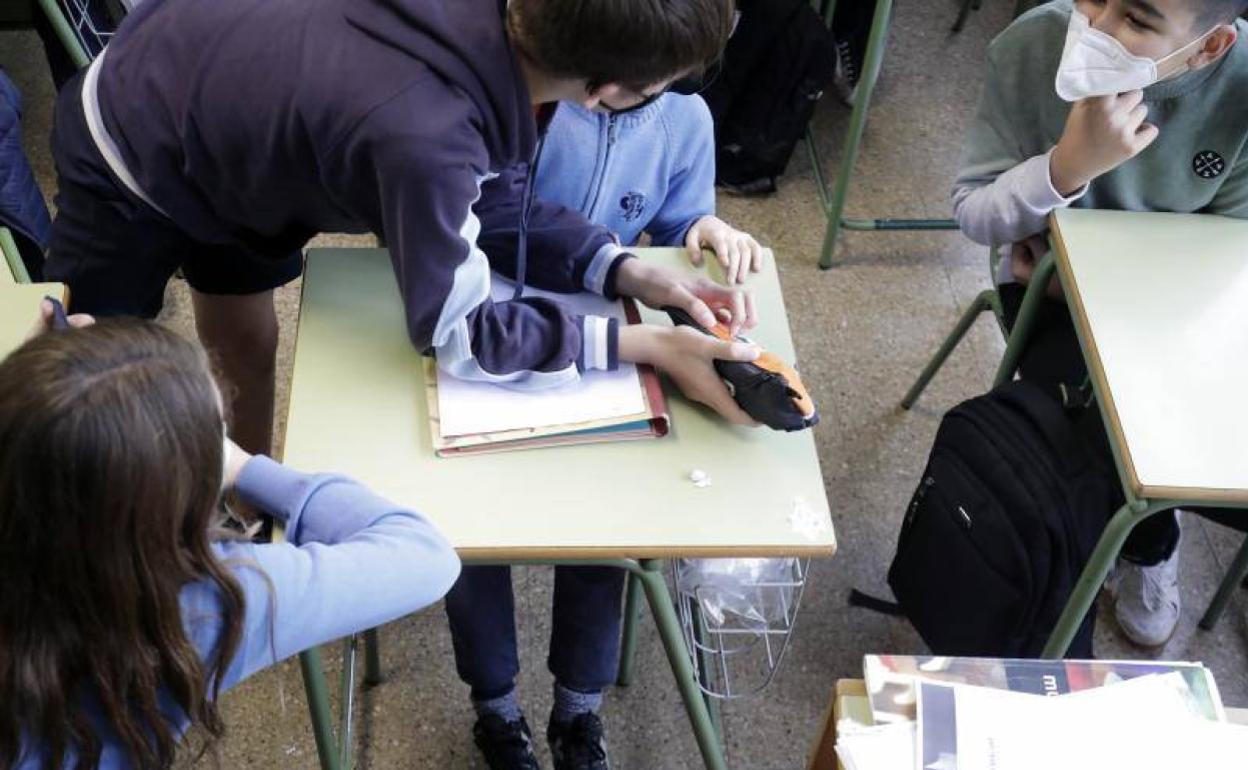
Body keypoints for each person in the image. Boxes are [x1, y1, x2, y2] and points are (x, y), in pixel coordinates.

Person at [43, 0, 757, 464]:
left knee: (246, 344)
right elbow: (461, 336)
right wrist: (648, 344)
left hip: (247, 124)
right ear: (605, 94)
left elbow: (492, 197)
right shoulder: (423, 138)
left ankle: (244, 517)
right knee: (88, 396)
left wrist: (625, 270)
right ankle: (112, 557)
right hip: (128, 142)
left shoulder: (518, 33)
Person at [441, 90, 764, 770]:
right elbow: (481, 217)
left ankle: (577, 711)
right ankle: (496, 710)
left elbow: (678, 231)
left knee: (605, 528)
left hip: (606, 351)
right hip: (489, 338)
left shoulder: (686, 118)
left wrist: (705, 226)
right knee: (469, 529)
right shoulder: (531, 99)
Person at [1, 307, 461, 769]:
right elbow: (425, 555)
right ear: (185, 494)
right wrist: (243, 465)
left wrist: (37, 400)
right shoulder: (204, 605)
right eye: (216, 433)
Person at [952, 0, 1248, 647]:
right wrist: (1068, 167)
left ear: (1209, 48)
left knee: (1199, 444)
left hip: (1158, 306)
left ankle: (1142, 524)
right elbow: (974, 210)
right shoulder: (1032, 44)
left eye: (1137, 22)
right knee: (1097, 439)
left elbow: (1227, 256)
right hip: (1047, 301)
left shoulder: (1238, 86)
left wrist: (1073, 270)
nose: (1096, 26)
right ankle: (1145, 537)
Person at [535, 91, 765, 284]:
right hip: (512, 282)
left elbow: (677, 224)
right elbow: (502, 207)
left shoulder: (687, 114)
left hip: (608, 284)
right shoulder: (540, 96)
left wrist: (698, 227)